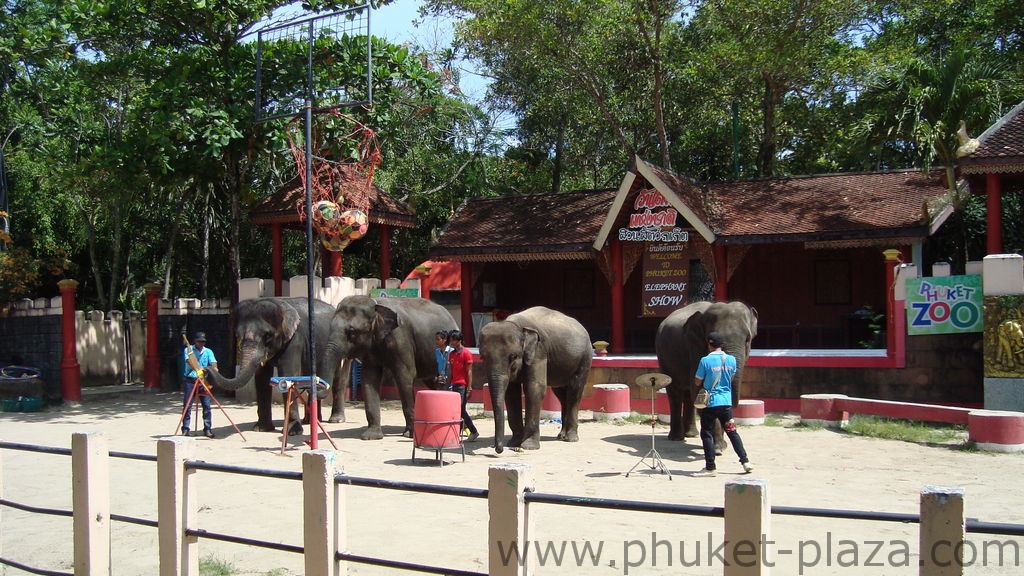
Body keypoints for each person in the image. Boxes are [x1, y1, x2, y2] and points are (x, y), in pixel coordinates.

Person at [693, 331, 753, 476]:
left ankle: (710, 467)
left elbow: (697, 381)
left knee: (707, 433)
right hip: (726, 403)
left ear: (709, 344)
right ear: (722, 345)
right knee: (732, 432)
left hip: (711, 403)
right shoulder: (731, 360)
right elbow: (732, 377)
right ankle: (745, 462)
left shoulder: (705, 361)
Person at [445, 330, 479, 442]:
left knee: (460, 410)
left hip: (462, 385)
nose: (451, 343)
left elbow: (469, 371)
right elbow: (451, 371)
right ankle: (461, 433)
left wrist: (469, 388)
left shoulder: (466, 353)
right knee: (458, 410)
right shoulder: (452, 354)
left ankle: (472, 431)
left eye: (453, 340)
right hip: (454, 384)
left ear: (459, 341)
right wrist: (447, 384)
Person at [183, 332, 218, 438]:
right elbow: (190, 361)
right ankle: (185, 429)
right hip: (190, 380)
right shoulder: (188, 350)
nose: (201, 343)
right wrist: (199, 369)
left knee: (207, 406)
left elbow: (214, 364)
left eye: (203, 342)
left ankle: (207, 429)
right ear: (195, 341)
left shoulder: (208, 352)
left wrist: (213, 370)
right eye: (199, 341)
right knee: (187, 406)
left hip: (204, 381)